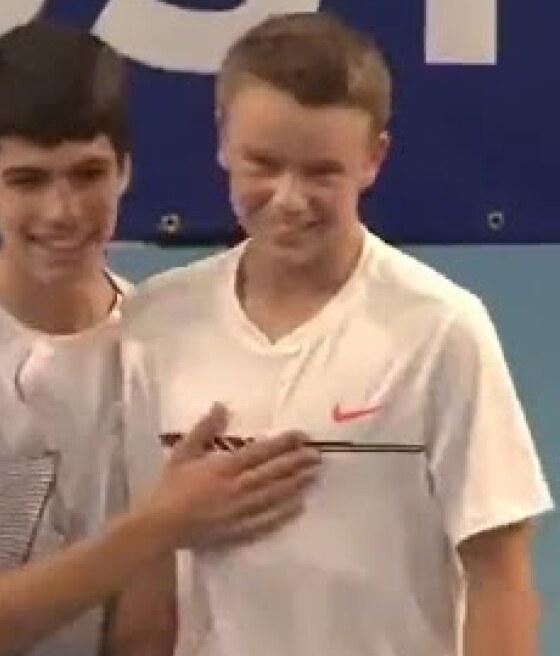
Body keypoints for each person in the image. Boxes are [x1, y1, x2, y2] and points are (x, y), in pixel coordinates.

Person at [0, 18, 321, 656]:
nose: (62, 211)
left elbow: (146, 627)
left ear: (124, 170)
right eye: (29, 180)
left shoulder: (165, 346)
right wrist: (161, 526)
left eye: (87, 174)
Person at [121, 11, 555, 656]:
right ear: (221, 141)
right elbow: (145, 578)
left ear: (373, 158)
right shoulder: (153, 323)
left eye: (321, 172)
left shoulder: (440, 329)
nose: (290, 198)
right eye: (262, 164)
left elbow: (500, 578)